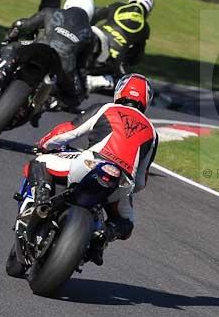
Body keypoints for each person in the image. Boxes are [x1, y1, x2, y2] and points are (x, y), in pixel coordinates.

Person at [24, 73, 158, 266]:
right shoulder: (152, 133)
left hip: (89, 164)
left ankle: (43, 201)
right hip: (121, 182)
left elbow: (67, 131)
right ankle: (106, 234)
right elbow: (141, 182)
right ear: (146, 99)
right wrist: (126, 185)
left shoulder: (107, 108)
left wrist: (43, 144)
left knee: (39, 162)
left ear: (120, 90)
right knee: (127, 223)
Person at [0, 0, 96, 109]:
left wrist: (9, 39)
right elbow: (82, 66)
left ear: (68, 4)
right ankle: (50, 102)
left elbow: (21, 25)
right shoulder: (91, 36)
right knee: (76, 98)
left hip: (40, 46)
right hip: (64, 66)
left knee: (10, 48)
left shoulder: (50, 12)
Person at [85, 0, 153, 92]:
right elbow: (136, 57)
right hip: (111, 60)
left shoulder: (116, 6)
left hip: (93, 42)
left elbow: (95, 16)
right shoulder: (145, 28)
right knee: (125, 82)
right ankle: (100, 81)